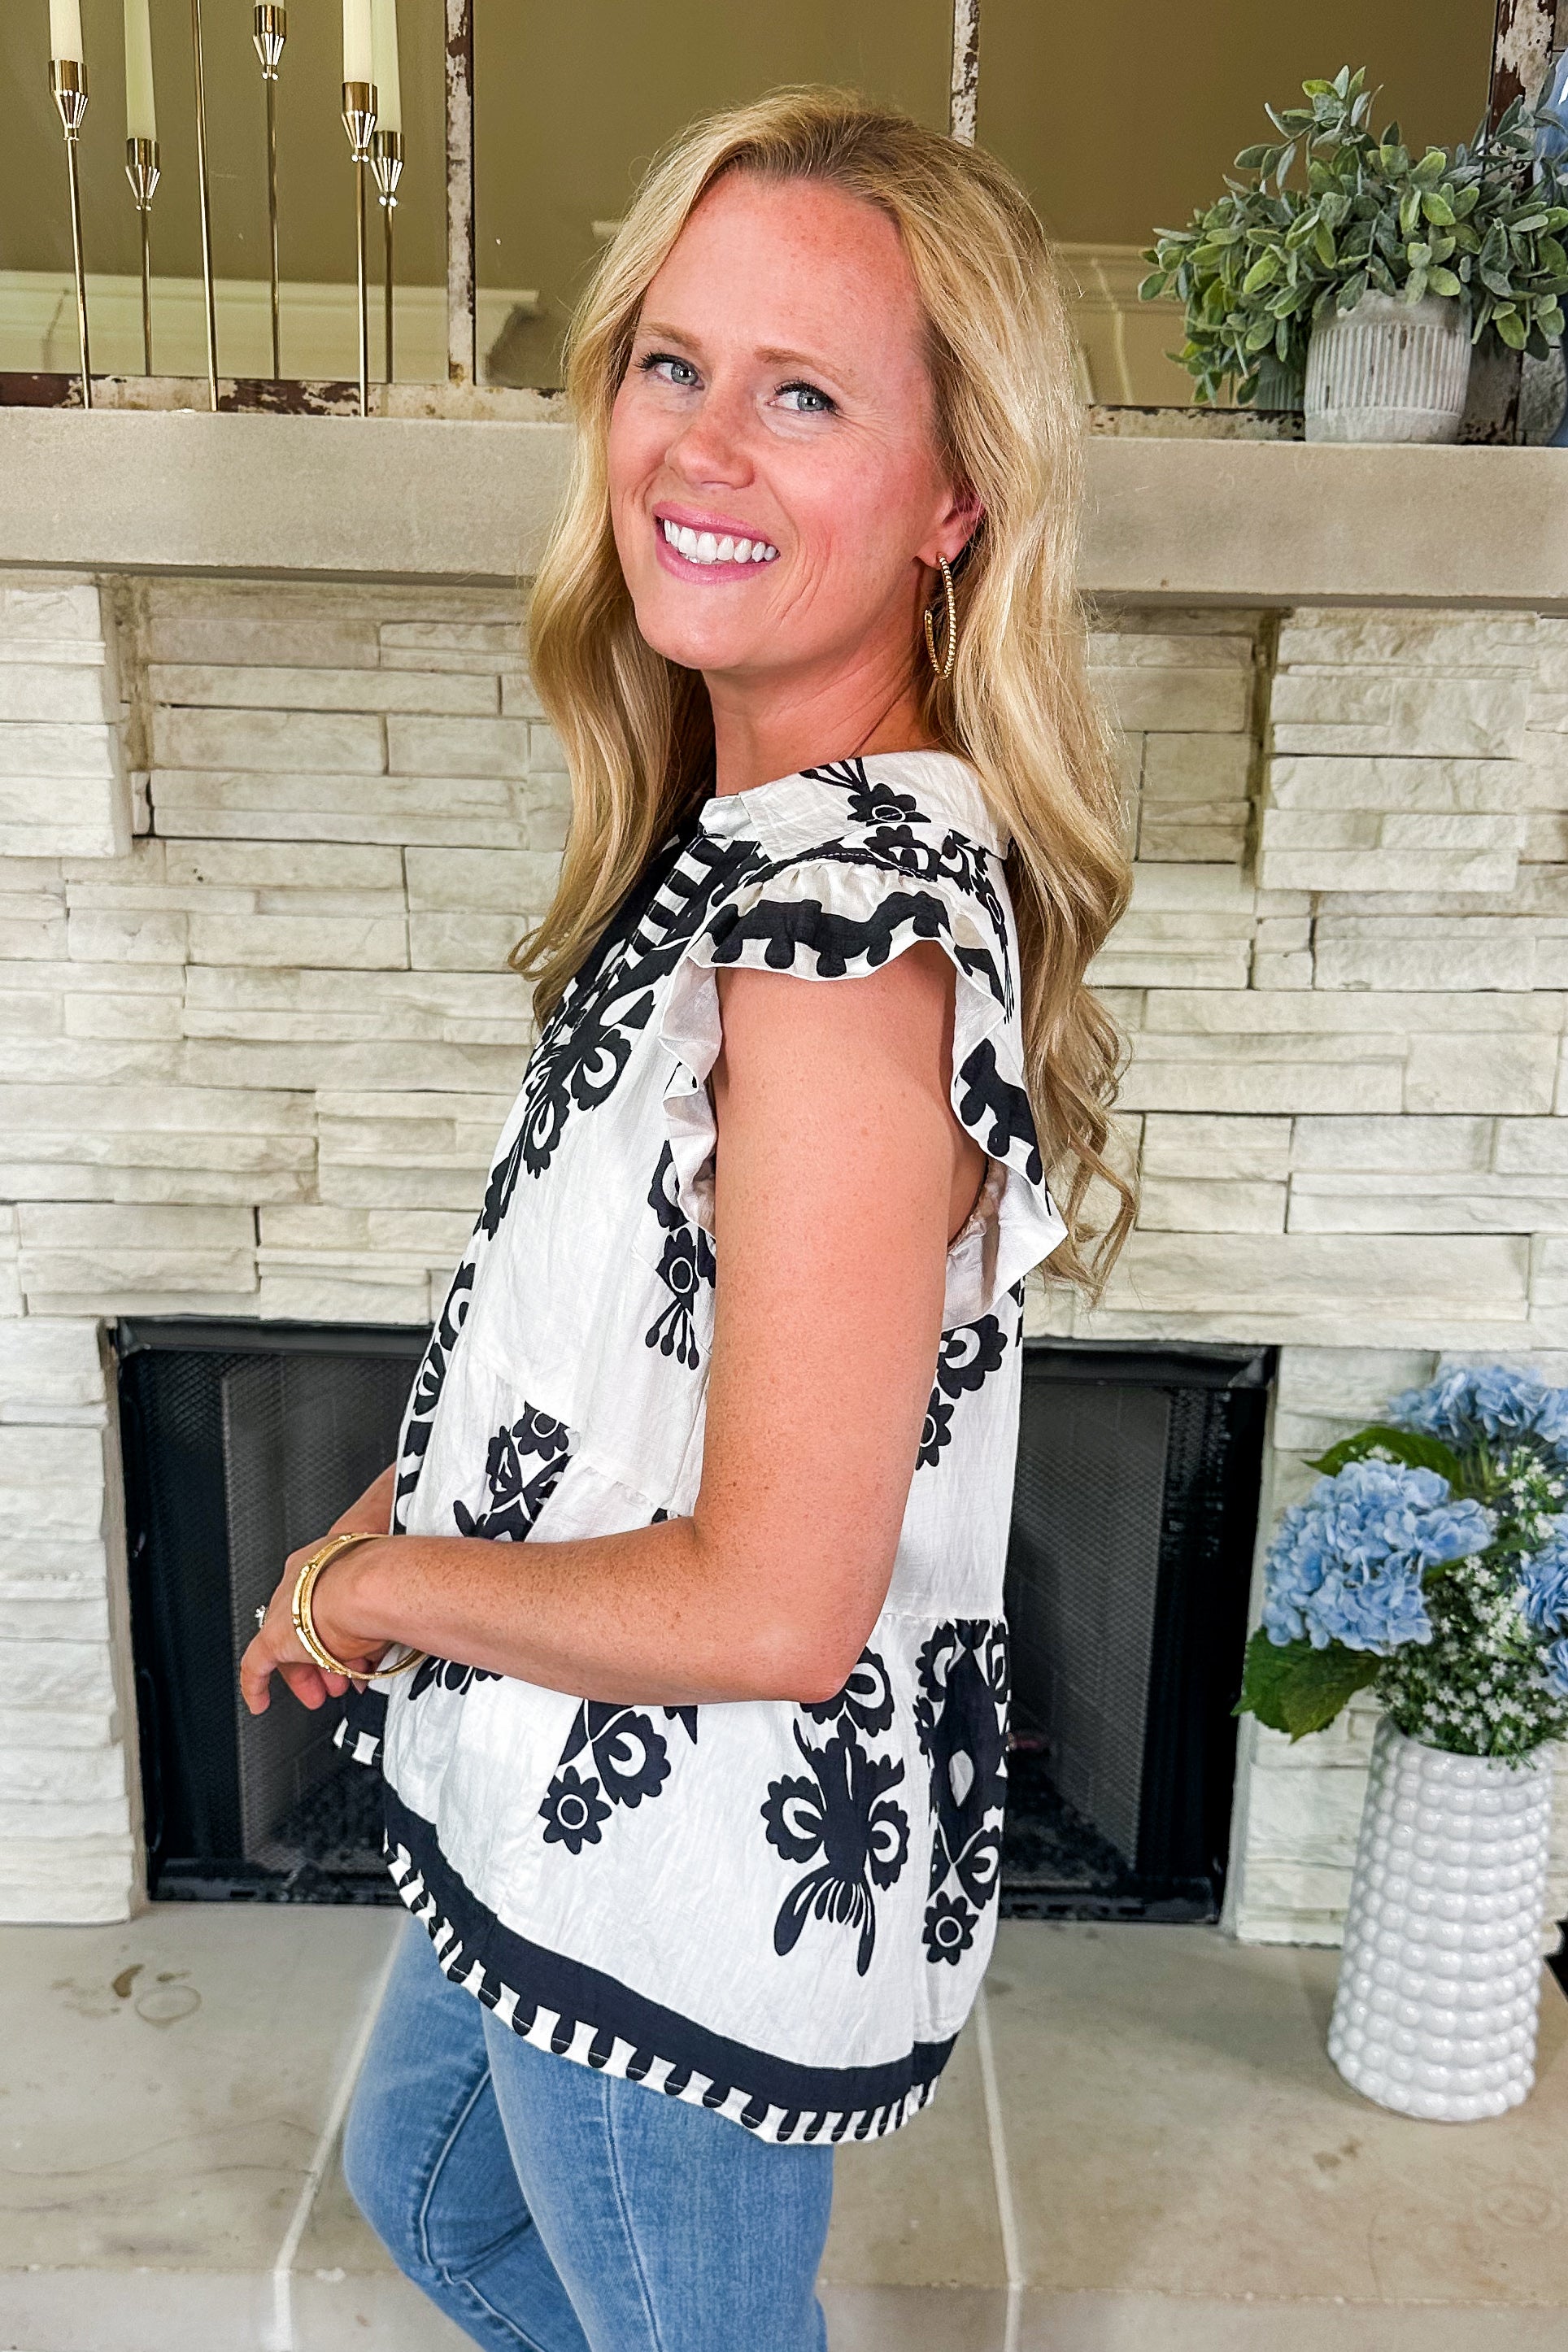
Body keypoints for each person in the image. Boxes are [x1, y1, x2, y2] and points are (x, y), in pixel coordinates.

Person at [240, 86, 1132, 2352]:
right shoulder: (764, 845)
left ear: (955, 496)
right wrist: (395, 1512)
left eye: (806, 394)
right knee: (429, 2183)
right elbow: (612, 1341)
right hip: (571, 1790)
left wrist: (366, 1591)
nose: (703, 447)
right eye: (673, 360)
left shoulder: (841, 948)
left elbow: (769, 1604)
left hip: (682, 1868)